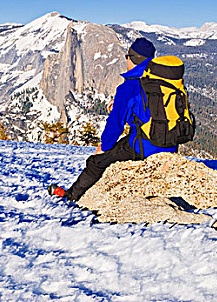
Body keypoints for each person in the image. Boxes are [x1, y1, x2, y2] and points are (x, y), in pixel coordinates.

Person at [60, 38, 178, 202]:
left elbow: (115, 126)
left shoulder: (129, 87)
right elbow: (152, 113)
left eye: (127, 57)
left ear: (132, 59)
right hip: (171, 143)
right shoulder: (163, 80)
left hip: (145, 147)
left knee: (96, 162)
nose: (126, 61)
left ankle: (71, 197)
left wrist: (104, 147)